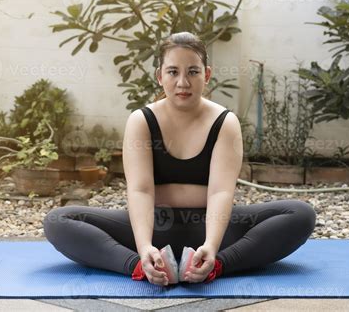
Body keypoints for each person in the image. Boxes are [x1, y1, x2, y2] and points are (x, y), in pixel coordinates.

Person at [43, 32, 316, 287]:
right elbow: (140, 191)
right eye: (173, 71)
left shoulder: (224, 122)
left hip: (214, 229)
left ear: (206, 75)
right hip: (151, 227)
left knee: (300, 214)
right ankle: (139, 266)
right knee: (58, 221)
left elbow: (221, 192)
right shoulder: (141, 121)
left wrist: (211, 245)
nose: (183, 82)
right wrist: (144, 247)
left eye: (193, 72)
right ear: (159, 76)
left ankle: (216, 265)